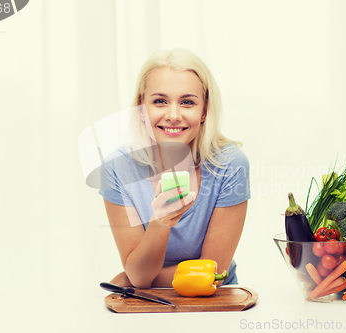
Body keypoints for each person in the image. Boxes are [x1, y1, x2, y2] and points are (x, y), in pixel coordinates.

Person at [99, 48, 250, 288]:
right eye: (160, 101)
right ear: (141, 108)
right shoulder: (117, 169)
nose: (173, 115)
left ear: (204, 110)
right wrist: (160, 223)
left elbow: (214, 274)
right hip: (147, 304)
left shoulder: (230, 165)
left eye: (187, 102)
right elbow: (140, 276)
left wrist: (134, 279)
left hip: (214, 304)